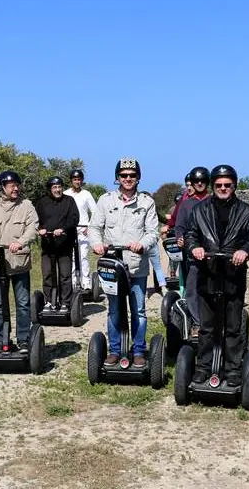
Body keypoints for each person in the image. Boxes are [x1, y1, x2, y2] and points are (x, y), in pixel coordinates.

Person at [185, 164, 249, 386]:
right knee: (207, 327)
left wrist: (245, 251)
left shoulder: (246, 211)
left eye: (227, 185)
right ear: (212, 186)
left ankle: (233, 370)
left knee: (232, 327)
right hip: (207, 272)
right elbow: (191, 234)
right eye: (218, 185)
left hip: (233, 274)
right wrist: (194, 247)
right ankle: (203, 367)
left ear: (234, 185)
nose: (223, 188)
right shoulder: (199, 210)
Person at [88, 158, 159, 368]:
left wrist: (142, 243)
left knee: (138, 310)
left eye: (132, 175)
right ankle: (115, 350)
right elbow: (94, 227)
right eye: (124, 175)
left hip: (136, 265)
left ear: (138, 177)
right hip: (112, 265)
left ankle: (138, 351)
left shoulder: (147, 202)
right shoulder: (106, 200)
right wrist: (97, 244)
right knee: (114, 310)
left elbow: (153, 232)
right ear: (117, 177)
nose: (128, 179)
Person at [0, 170, 39, 352]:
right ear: (2, 188)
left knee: (23, 304)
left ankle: (24, 339)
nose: (15, 188)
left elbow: (33, 228)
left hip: (19, 263)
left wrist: (20, 242)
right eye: (11, 185)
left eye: (17, 185)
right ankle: (0, 339)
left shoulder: (26, 206)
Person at [173, 166, 211, 337]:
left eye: (203, 181)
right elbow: (179, 226)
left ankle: (213, 320)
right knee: (192, 288)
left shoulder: (214, 201)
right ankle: (197, 322)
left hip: (212, 254)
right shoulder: (186, 204)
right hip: (193, 253)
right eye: (197, 181)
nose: (200, 183)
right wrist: (180, 236)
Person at [34, 176, 80, 310]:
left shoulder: (69, 201)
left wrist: (63, 229)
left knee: (65, 275)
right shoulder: (42, 202)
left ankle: (65, 302)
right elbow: (36, 220)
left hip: (64, 244)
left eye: (59, 187)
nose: (57, 189)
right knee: (47, 274)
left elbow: (74, 218)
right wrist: (40, 229)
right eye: (54, 187)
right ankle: (49, 301)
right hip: (48, 245)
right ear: (50, 189)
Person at [63, 169, 96, 295]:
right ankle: (72, 282)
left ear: (82, 180)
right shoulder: (66, 194)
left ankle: (86, 282)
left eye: (79, 179)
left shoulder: (86, 194)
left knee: (83, 257)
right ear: (71, 181)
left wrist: (89, 226)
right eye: (75, 179)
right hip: (70, 230)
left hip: (83, 229)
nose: (77, 182)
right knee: (70, 257)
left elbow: (95, 211)